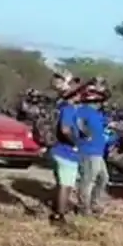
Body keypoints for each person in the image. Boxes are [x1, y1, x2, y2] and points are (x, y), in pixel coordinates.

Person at [48, 77, 83, 225]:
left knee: (61, 183)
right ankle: (59, 215)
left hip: (56, 150)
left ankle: (58, 207)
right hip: (66, 152)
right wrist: (76, 143)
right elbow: (65, 129)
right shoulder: (69, 109)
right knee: (66, 185)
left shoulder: (61, 106)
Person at [74, 80, 111, 216]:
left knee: (103, 178)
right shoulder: (83, 110)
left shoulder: (98, 113)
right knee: (88, 180)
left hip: (98, 151)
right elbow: (77, 123)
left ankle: (93, 203)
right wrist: (84, 132)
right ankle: (83, 208)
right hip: (88, 151)